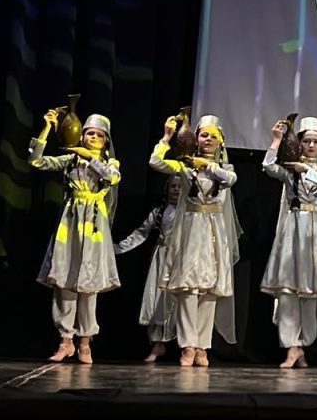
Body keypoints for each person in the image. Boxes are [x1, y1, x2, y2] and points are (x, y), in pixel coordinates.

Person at [28, 111, 121, 364]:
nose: (94, 137)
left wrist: (90, 158)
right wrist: (47, 129)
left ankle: (85, 341)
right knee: (65, 279)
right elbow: (36, 161)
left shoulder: (110, 163)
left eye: (99, 135)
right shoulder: (71, 159)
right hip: (70, 222)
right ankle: (66, 340)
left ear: (106, 140)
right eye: (89, 133)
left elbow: (112, 178)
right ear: (81, 135)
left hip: (94, 224)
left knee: (89, 284)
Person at [151, 114, 242, 367]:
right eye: (204, 135)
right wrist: (167, 137)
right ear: (195, 139)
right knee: (188, 289)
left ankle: (203, 345)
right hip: (190, 229)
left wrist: (207, 166)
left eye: (213, 136)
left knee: (210, 290)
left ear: (221, 141)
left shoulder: (225, 170)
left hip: (214, 231)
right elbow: (155, 161)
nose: (208, 139)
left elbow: (230, 180)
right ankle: (188, 345)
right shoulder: (185, 166)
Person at [261, 116, 317, 368]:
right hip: (293, 229)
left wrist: (306, 170)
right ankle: (291, 346)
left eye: (315, 141)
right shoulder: (290, 171)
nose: (311, 145)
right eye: (306, 141)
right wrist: (276, 141)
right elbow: (268, 166)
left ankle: (303, 345)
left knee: (309, 293)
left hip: (315, 232)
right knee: (288, 290)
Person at [114, 176, 183, 362]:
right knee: (158, 298)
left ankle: (186, 346)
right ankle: (157, 344)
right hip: (162, 258)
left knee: (180, 300)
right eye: (173, 186)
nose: (176, 190)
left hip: (181, 259)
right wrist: (118, 248)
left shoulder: (189, 213)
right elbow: (141, 233)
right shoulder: (159, 212)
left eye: (180, 186)